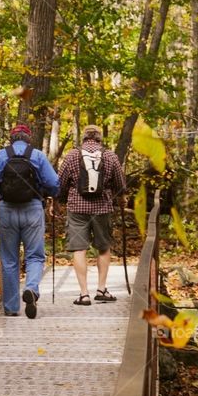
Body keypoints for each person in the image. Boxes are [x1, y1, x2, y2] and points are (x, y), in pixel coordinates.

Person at [0, 124, 59, 318]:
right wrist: (52, 197)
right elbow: (54, 183)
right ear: (28, 138)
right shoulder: (37, 155)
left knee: (9, 259)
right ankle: (31, 288)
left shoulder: (0, 156)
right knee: (35, 256)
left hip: (7, 210)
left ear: (11, 139)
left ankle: (12, 308)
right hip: (32, 209)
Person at [57, 125, 127, 305]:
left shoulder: (73, 155)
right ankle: (102, 289)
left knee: (79, 249)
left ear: (84, 138)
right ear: (99, 138)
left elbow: (61, 182)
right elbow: (120, 184)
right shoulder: (110, 156)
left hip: (77, 209)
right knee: (103, 247)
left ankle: (84, 294)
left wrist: (61, 201)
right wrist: (119, 200)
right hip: (102, 209)